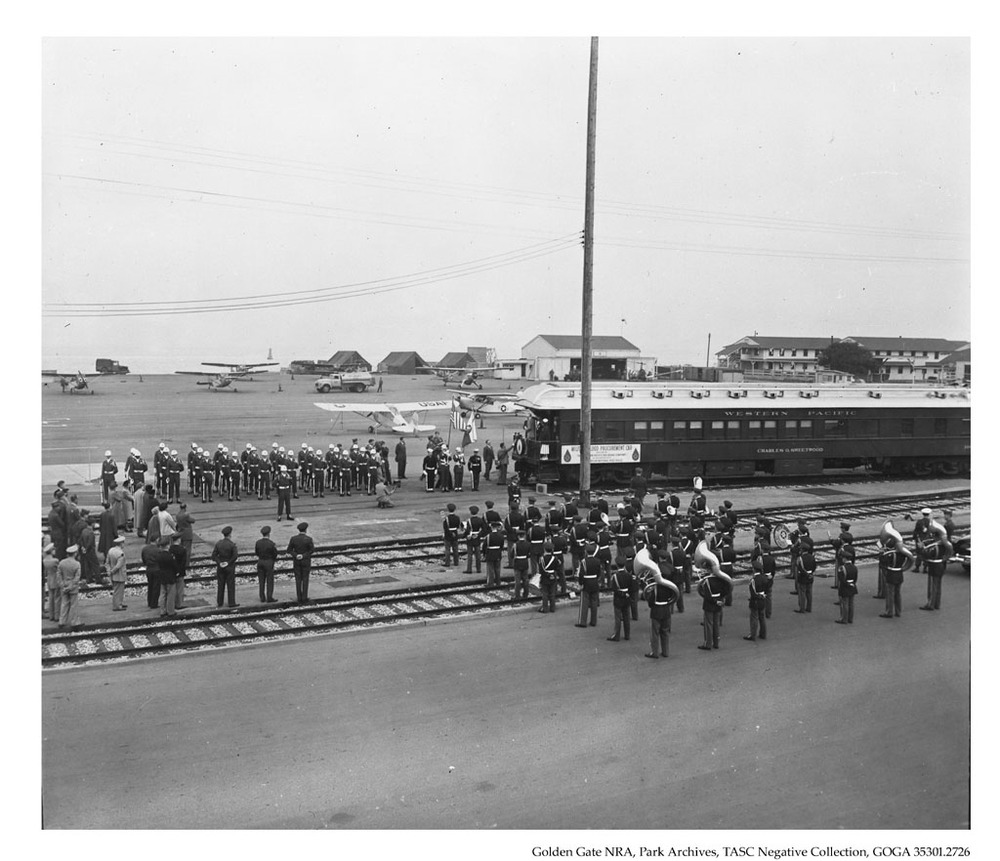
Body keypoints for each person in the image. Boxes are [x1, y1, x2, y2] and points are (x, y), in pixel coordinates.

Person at [635, 544, 680, 658]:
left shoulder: (655, 569)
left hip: (656, 607)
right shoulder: (672, 569)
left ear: (659, 558)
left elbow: (650, 592)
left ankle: (654, 652)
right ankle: (665, 652)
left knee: (655, 632)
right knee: (665, 631)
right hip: (667, 606)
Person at [696, 547, 733, 651]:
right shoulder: (722, 579)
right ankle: (716, 642)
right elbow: (727, 589)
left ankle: (708, 644)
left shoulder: (707, 581)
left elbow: (707, 596)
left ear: (709, 570)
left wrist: (716, 601)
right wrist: (721, 599)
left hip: (710, 604)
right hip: (719, 603)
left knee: (708, 624)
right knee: (716, 624)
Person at [879, 540, 913, 619]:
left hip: (891, 574)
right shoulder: (902, 553)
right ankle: (898, 611)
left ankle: (889, 612)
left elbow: (883, 562)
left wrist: (881, 553)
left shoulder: (890, 554)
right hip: (899, 574)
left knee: (890, 594)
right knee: (898, 594)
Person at [607, 553, 637, 642]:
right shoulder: (629, 575)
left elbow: (613, 589)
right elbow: (632, 588)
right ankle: (627, 635)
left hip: (618, 599)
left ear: (616, 565)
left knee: (618, 618)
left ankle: (617, 635)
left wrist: (622, 593)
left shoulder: (615, 576)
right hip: (627, 598)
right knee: (627, 617)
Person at [574, 540, 602, 627]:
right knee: (594, 602)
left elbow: (581, 574)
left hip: (586, 582)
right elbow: (599, 573)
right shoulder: (597, 561)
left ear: (586, 551)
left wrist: (580, 583)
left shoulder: (583, 561)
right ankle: (593, 621)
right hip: (594, 581)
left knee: (584, 603)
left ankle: (582, 622)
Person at [212, 525, 239, 609]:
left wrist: (219, 562)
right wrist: (228, 563)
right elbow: (235, 556)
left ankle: (220, 602)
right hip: (230, 567)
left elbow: (213, 556)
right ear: (230, 534)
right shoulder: (232, 545)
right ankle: (231, 602)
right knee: (230, 585)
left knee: (220, 584)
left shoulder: (218, 544)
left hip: (220, 567)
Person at [287, 522, 314, 603]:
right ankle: (304, 597)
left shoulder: (293, 539)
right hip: (305, 561)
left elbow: (289, 550)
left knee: (298, 579)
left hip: (297, 561)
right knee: (305, 578)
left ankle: (299, 597)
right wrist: (304, 555)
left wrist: (296, 555)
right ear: (306, 530)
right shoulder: (308, 539)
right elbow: (311, 550)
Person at [57, 544, 82, 628]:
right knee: (74, 604)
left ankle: (62, 621)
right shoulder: (77, 564)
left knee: (64, 603)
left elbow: (59, 575)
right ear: (75, 553)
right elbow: (77, 578)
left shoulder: (61, 563)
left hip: (64, 585)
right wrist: (70, 586)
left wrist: (62, 585)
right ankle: (75, 622)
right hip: (73, 587)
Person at [744, 564, 770, 641]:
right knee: (762, 617)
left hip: (755, 601)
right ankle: (763, 634)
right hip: (763, 599)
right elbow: (767, 589)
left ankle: (753, 635)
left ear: (754, 570)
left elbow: (753, 593)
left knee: (754, 618)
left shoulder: (754, 580)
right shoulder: (764, 578)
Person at [155, 535, 179, 617]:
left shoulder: (158, 555)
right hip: (170, 576)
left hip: (162, 576)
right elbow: (174, 566)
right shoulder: (170, 556)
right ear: (167, 545)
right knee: (170, 594)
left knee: (163, 594)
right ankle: (170, 611)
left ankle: (162, 610)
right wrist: (177, 572)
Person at [835, 543, 859, 624]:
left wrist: (847, 584)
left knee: (844, 603)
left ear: (845, 559)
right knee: (851, 603)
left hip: (845, 587)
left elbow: (841, 579)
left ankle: (844, 619)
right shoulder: (854, 567)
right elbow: (855, 579)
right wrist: (851, 584)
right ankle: (850, 618)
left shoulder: (842, 568)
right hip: (852, 586)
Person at [255, 525, 279, 603]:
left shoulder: (258, 542)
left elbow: (257, 553)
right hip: (269, 562)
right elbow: (275, 554)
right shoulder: (271, 543)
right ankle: (269, 597)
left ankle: (262, 597)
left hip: (260, 561)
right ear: (269, 534)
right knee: (269, 580)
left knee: (261, 580)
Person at [793, 543, 817, 614]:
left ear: (802, 550)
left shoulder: (800, 558)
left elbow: (800, 567)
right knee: (809, 593)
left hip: (803, 577)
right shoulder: (812, 557)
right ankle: (809, 607)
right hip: (810, 576)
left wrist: (806, 574)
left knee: (802, 593)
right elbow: (814, 566)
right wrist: (810, 573)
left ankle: (802, 608)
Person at [106, 535, 127, 611]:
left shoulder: (110, 550)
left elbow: (107, 562)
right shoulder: (121, 553)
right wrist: (112, 571)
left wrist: (108, 571)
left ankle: (119, 603)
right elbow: (119, 565)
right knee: (119, 590)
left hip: (113, 575)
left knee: (116, 590)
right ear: (121, 544)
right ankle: (117, 606)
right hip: (120, 575)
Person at [169, 531, 189, 610]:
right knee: (180, 589)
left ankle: (172, 603)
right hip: (180, 572)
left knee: (172, 589)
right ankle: (179, 604)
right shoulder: (182, 549)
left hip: (172, 572)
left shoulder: (170, 549)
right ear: (178, 540)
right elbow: (184, 562)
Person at [511, 527, 531, 603]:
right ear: (524, 536)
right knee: (525, 579)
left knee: (517, 580)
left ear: (518, 536)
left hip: (518, 563)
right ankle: (526, 594)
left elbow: (511, 555)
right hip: (525, 562)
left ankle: (517, 595)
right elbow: (529, 554)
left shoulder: (515, 545)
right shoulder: (528, 544)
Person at [140, 536, 161, 609]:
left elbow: (143, 559)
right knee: (156, 587)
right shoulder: (158, 550)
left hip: (149, 568)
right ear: (156, 540)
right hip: (157, 569)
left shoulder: (145, 549)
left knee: (150, 585)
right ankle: (154, 603)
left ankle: (149, 602)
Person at [484, 520, 505, 588]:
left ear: (491, 527)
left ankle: (490, 583)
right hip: (498, 553)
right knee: (497, 568)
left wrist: (485, 553)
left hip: (490, 553)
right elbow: (502, 545)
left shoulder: (488, 536)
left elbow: (484, 546)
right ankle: (498, 582)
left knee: (490, 569)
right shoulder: (501, 536)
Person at [464, 505, 485, 574]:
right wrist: (479, 535)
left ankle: (469, 569)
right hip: (477, 538)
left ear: (471, 512)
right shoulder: (480, 520)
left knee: (470, 555)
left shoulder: (469, 521)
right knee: (478, 555)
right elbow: (484, 529)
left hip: (470, 538)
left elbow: (467, 530)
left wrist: (465, 536)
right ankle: (478, 569)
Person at [43, 543, 60, 621]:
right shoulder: (55, 560)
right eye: (53, 549)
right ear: (51, 551)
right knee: (57, 598)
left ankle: (51, 616)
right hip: (55, 579)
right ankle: (56, 616)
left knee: (50, 598)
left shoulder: (44, 560)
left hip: (49, 580)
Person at [442, 503, 462, 567]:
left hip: (448, 535)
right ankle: (456, 562)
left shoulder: (446, 519)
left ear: (448, 510)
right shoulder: (457, 517)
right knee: (455, 549)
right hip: (455, 533)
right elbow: (458, 526)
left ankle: (447, 563)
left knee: (447, 549)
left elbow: (445, 528)